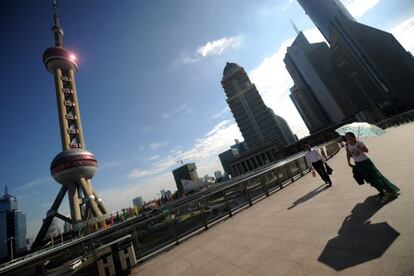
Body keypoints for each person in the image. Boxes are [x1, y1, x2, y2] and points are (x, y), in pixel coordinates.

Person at [345, 132, 400, 201]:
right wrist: (348, 162)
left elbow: (366, 151)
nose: (348, 138)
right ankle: (381, 191)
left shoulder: (359, 143)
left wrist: (359, 147)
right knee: (368, 179)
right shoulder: (347, 145)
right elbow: (348, 154)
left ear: (353, 137)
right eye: (346, 137)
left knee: (376, 176)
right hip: (358, 164)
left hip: (366, 162)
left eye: (349, 137)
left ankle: (390, 190)